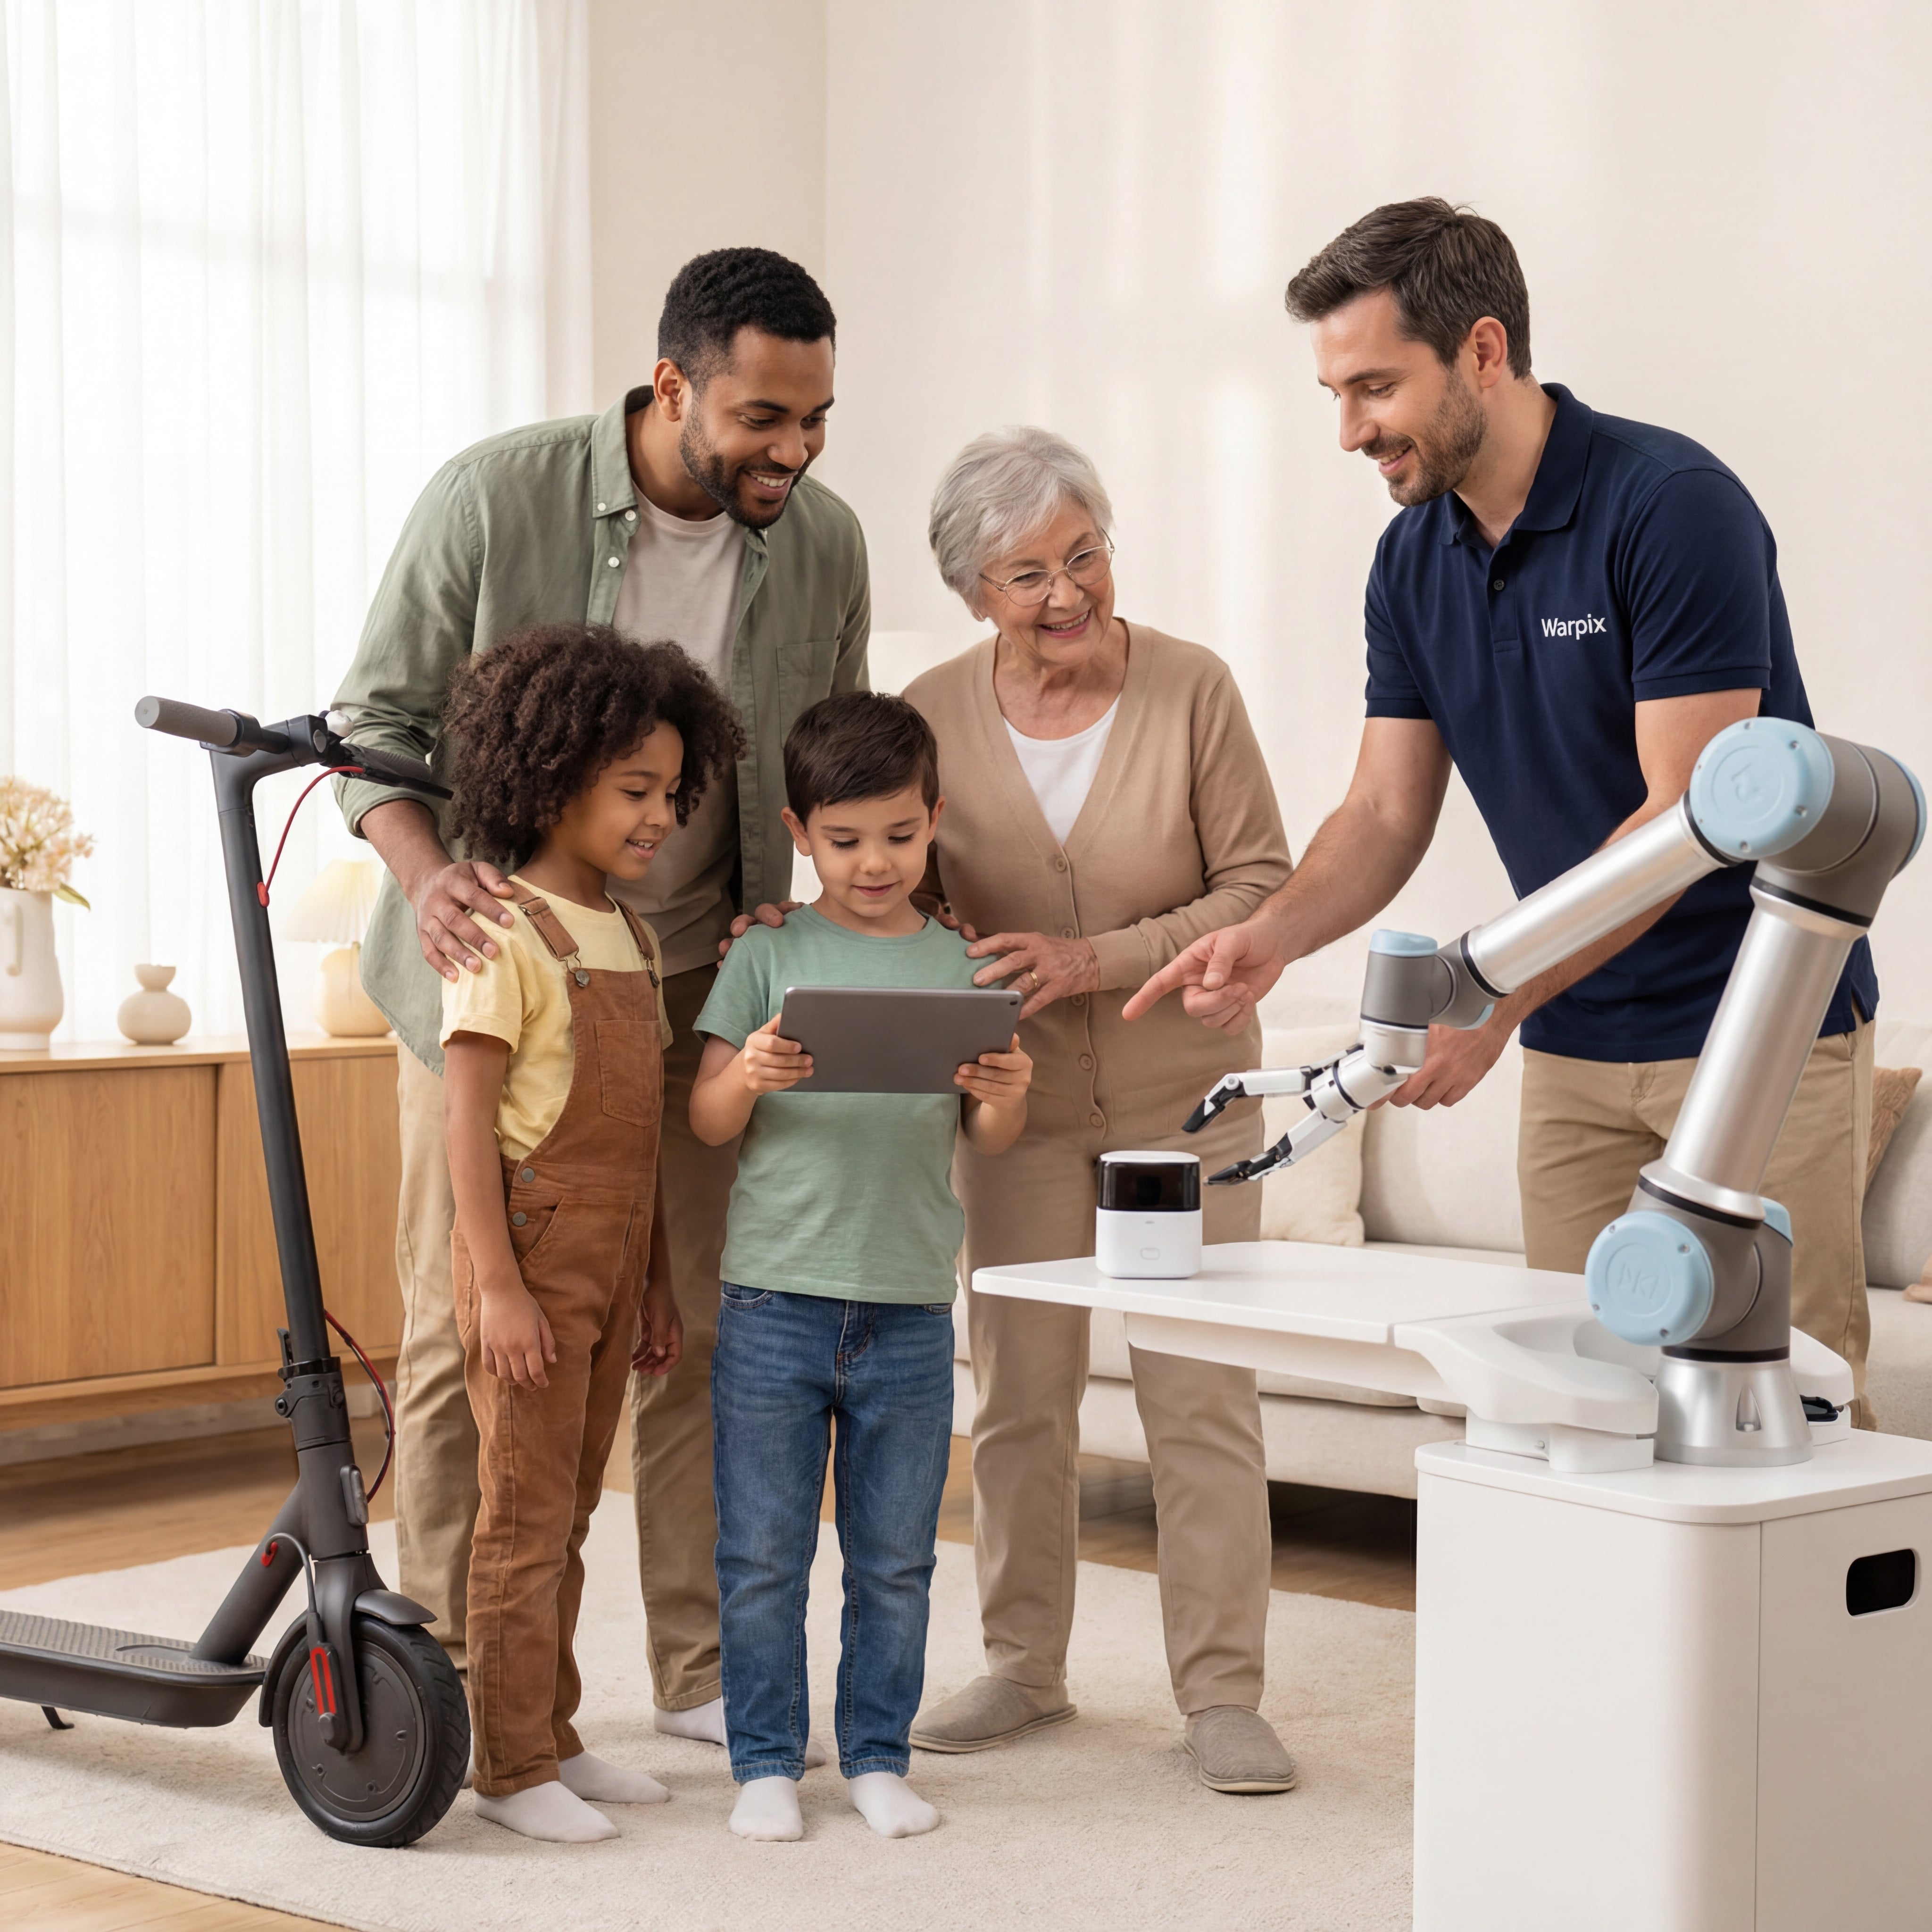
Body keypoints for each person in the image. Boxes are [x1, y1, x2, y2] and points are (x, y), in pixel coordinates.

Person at [1128, 199, 1881, 1421]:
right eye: (1334, 392)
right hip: (1575, 1053)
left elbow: (1688, 822)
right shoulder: (1411, 560)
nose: (1347, 430)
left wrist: (1493, 993)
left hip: (1756, 1024)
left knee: (1787, 1410)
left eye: (1374, 387)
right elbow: (1382, 811)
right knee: (1575, 1409)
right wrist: (1272, 938)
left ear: (1483, 350)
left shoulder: (1671, 507)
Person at [331, 247, 870, 1730]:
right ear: (674, 385)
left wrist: (812, 884)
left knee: (690, 1324)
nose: (795, 451)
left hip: (691, 978)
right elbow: (370, 721)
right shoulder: (493, 495)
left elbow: (821, 743)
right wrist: (426, 871)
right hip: (492, 955)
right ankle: (447, 1668)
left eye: (816, 418)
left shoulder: (823, 539)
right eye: (764, 417)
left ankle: (691, 1677)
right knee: (468, 1326)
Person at [902, 428, 1299, 1794]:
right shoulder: (932, 713)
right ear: (974, 594)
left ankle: (1223, 1694)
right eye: (1030, 575)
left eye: (1087, 555)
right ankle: (1024, 1667)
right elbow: (898, 893)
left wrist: (1096, 960)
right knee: (1017, 1395)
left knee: (1199, 1396)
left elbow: (1261, 885)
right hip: (1014, 1107)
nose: (1070, 593)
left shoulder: (1193, 688)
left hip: (1190, 1098)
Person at [689, 693, 1034, 1843]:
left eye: (897, 833)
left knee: (893, 1558)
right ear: (800, 830)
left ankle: (878, 1755)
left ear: (934, 819)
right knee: (762, 1552)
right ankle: (766, 1764)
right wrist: (751, 1072)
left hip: (907, 1306)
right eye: (843, 840)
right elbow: (704, 1118)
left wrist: (1006, 1100)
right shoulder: (767, 954)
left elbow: (983, 1139)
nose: (872, 861)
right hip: (774, 1300)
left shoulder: (964, 967)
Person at [438, 625, 745, 1841]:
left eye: (671, 793)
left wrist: (659, 1281)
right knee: (518, 1513)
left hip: (615, 1257)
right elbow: (467, 1127)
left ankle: (553, 1734)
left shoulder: (632, 930)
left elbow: (641, 1140)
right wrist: (501, 1289)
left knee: (568, 1509)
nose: (660, 816)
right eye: (634, 791)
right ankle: (506, 1765)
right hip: (530, 1259)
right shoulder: (499, 933)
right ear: (553, 774)